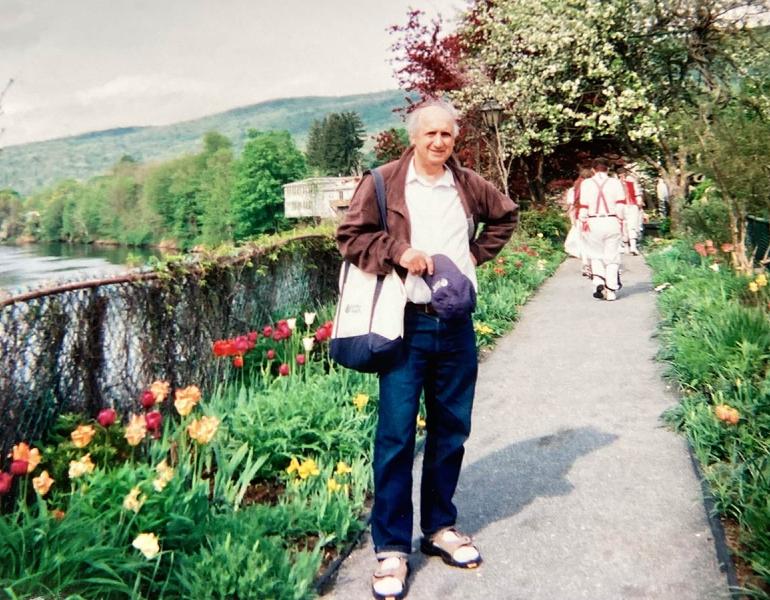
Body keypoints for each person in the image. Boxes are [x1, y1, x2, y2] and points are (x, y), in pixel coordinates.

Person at [336, 98, 518, 600]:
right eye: (429, 134)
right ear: (413, 137)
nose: (439, 142)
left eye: (447, 135)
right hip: (405, 327)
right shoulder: (383, 182)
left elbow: (505, 216)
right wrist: (399, 251)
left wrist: (470, 260)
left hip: (456, 325)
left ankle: (439, 528)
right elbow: (350, 237)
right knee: (396, 436)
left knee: (451, 429)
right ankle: (391, 549)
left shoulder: (467, 184)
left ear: (454, 138)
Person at [577, 158, 626, 301]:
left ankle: (598, 282)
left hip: (593, 221)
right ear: (608, 169)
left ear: (593, 169)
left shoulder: (586, 184)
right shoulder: (615, 183)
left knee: (595, 254)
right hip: (611, 220)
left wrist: (583, 220)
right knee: (612, 257)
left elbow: (583, 207)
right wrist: (621, 220)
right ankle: (611, 290)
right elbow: (620, 207)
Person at [563, 167, 594, 277]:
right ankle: (596, 265)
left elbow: (571, 204)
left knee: (583, 241)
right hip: (594, 217)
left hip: (579, 216)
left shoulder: (574, 189)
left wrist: (572, 217)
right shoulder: (594, 187)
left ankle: (586, 264)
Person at [618, 167, 644, 255]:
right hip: (632, 205)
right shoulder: (632, 182)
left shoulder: (615, 183)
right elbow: (638, 195)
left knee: (622, 225)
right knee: (632, 225)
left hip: (620, 205)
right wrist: (640, 206)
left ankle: (625, 246)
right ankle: (633, 246)